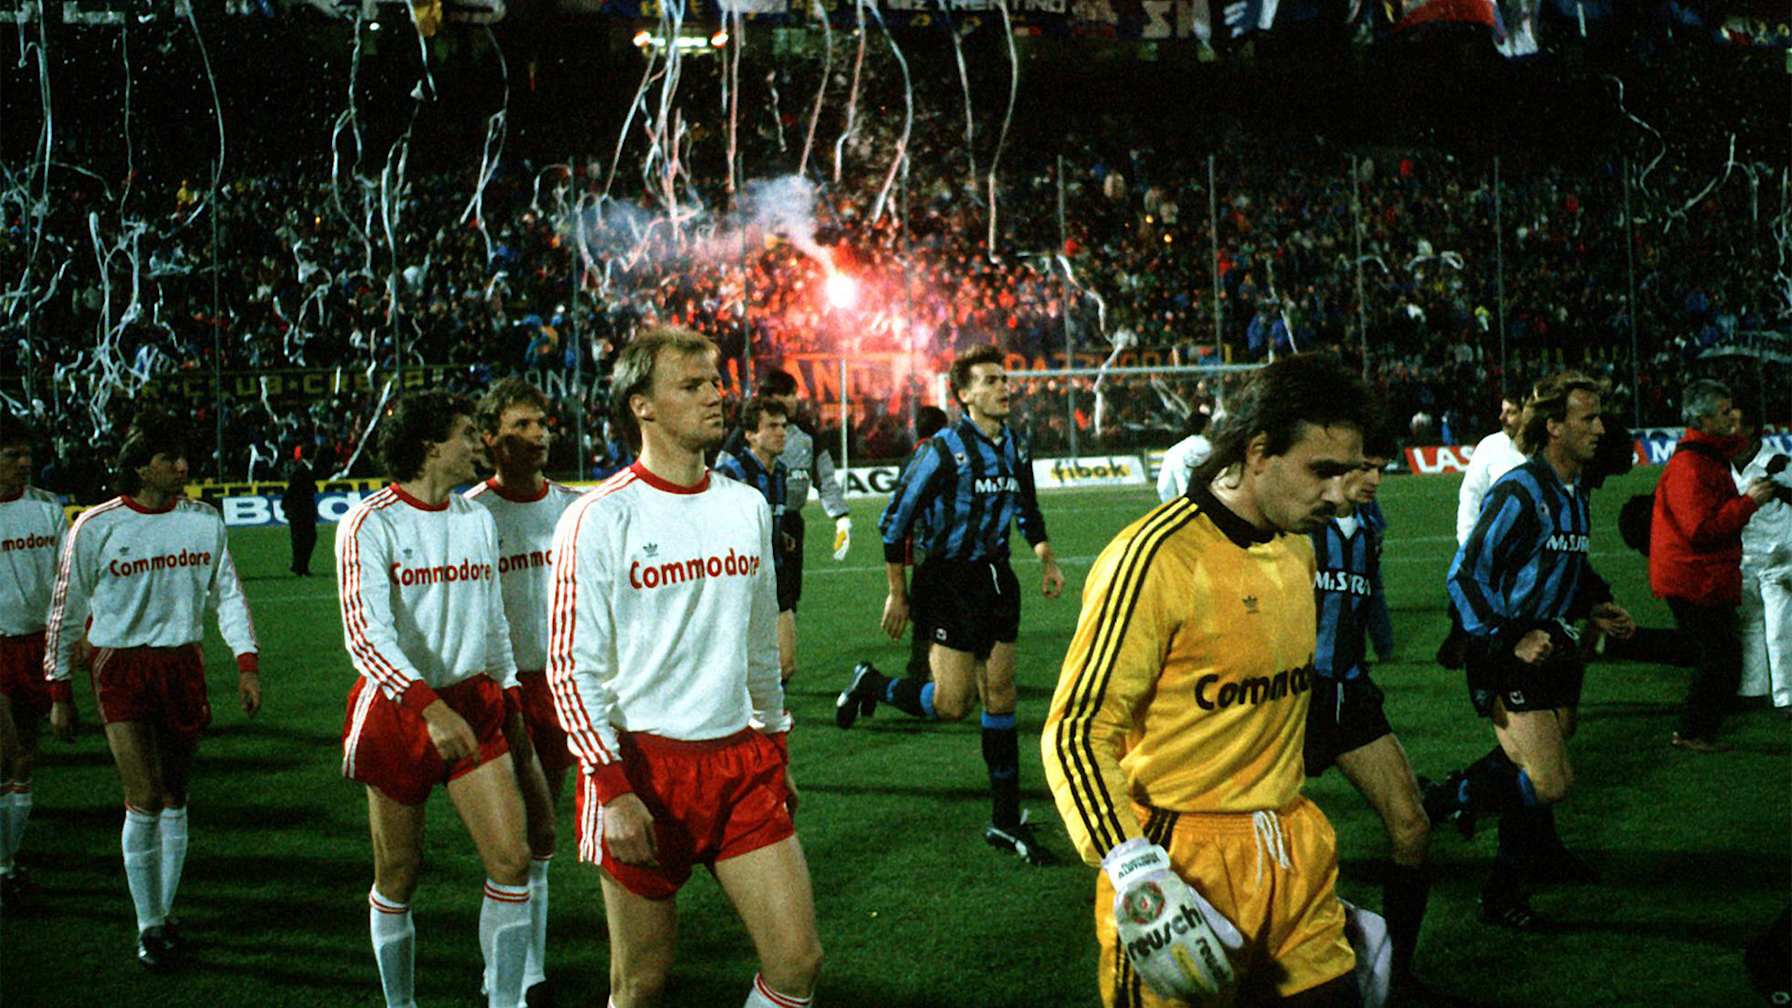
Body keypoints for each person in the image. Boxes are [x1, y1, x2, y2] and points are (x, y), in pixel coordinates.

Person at [1042, 353, 1374, 1007]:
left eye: (1349, 472)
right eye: (1323, 471)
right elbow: (1077, 732)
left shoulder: (1297, 550)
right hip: (1180, 864)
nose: (1340, 496)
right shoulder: (1154, 559)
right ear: (1258, 453)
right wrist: (1134, 868)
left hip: (1292, 853)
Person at [547, 328, 821, 1008]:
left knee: (797, 963)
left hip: (741, 762)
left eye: (715, 383)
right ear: (641, 405)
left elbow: (760, 645)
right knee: (640, 985)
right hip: (643, 770)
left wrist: (775, 743)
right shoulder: (598, 518)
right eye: (692, 385)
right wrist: (611, 789)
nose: (714, 396)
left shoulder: (744, 505)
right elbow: (570, 669)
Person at [335, 391, 534, 1008]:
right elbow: (366, 636)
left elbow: (494, 621)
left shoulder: (476, 519)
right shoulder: (370, 523)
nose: (480, 444)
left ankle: (504, 1001)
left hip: (472, 704)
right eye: (467, 433)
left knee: (513, 861)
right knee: (399, 873)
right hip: (400, 711)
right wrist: (429, 707)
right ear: (429, 448)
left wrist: (509, 694)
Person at [43, 413, 263, 968]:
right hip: (120, 667)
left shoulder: (203, 521)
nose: (182, 466)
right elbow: (66, 608)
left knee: (175, 794)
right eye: (169, 459)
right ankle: (149, 926)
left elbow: (227, 593)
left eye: (183, 457)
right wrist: (59, 689)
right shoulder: (96, 526)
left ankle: (163, 912)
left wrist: (246, 663)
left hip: (182, 664)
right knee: (142, 794)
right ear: (141, 468)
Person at [835, 344, 1067, 866]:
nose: (1003, 388)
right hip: (946, 582)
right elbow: (894, 522)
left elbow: (1027, 509)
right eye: (989, 381)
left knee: (1001, 696)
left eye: (1004, 379)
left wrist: (1047, 559)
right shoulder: (942, 450)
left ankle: (1005, 820)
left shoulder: (1016, 446)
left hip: (997, 579)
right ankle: (872, 683)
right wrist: (898, 592)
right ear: (964, 394)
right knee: (951, 705)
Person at [1430, 372, 1637, 929]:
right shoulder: (1521, 491)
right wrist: (1510, 637)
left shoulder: (1573, 492)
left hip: (1550, 645)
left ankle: (1460, 797)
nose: (1599, 428)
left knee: (1545, 757)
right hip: (1507, 649)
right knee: (1550, 781)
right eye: (1587, 418)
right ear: (1554, 428)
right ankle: (1497, 887)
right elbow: (1465, 574)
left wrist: (1595, 604)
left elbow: (1562, 566)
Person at [1304, 419, 1435, 993]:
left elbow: (1367, 595)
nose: (1376, 479)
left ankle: (1396, 976)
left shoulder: (1369, 527)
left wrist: (1380, 638)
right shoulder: (1298, 529)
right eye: (1365, 467)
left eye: (1382, 468)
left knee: (1412, 826)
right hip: (1292, 700)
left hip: (1352, 693)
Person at [466, 378, 584, 1006]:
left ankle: (526, 970)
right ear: (491, 438)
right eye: (521, 426)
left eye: (542, 424)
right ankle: (509, 975)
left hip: (558, 685)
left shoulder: (571, 508)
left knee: (540, 833)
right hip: (498, 688)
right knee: (510, 838)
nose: (538, 436)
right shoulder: (471, 514)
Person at [1650, 379, 1778, 751]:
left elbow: (1737, 445)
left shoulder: (1705, 454)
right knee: (1718, 654)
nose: (1731, 418)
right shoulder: (1690, 466)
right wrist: (1749, 503)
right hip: (1692, 576)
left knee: (1713, 650)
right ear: (1704, 419)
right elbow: (1700, 529)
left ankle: (1698, 727)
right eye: (1724, 413)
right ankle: (1693, 731)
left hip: (1699, 574)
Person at [724, 368, 853, 685]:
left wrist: (840, 517)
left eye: (794, 394)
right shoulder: (737, 461)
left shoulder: (800, 445)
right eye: (788, 394)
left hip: (785, 526)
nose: (794, 401)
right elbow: (718, 492)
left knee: (787, 601)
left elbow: (825, 479)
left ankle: (774, 676)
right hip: (744, 546)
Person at [0, 415, 66, 908]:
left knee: (24, 756)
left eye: (26, 454)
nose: (24, 463)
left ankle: (8, 863)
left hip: (37, 645)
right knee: (5, 752)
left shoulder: (46, 507)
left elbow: (68, 576)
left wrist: (73, 635)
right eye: (11, 456)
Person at [715, 397, 798, 678]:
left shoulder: (781, 472)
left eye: (783, 426)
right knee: (740, 668)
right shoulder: (731, 474)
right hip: (740, 581)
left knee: (785, 664)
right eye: (772, 426)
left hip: (776, 573)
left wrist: (779, 534)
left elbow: (770, 516)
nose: (781, 432)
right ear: (750, 434)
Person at [1732, 402, 1792, 713]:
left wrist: (1777, 487)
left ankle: (1786, 696)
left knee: (1779, 628)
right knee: (1750, 624)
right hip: (1744, 559)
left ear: (1751, 429)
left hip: (1779, 559)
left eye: (1735, 423)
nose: (1730, 429)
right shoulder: (1724, 465)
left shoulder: (1777, 462)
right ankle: (1752, 690)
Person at [1455, 396, 1525, 545]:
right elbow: (1471, 495)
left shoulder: (1547, 451)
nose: (1502, 418)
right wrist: (1466, 541)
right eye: (1502, 411)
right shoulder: (1490, 447)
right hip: (1496, 547)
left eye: (1511, 412)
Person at [1156, 410, 1212, 503]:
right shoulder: (1210, 448)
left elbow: (1164, 488)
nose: (1211, 429)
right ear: (1205, 426)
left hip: (1183, 504)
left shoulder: (1175, 450)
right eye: (1210, 425)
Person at [283, 451, 319, 576]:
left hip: (301, 511)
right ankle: (300, 567)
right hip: (300, 511)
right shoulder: (301, 470)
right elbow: (294, 490)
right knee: (304, 539)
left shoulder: (303, 469)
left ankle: (299, 566)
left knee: (304, 538)